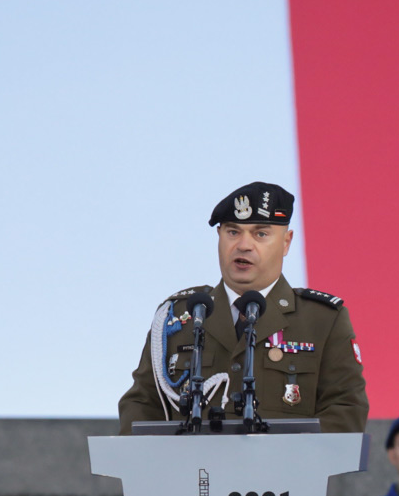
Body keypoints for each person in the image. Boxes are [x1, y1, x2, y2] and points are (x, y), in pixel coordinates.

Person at [117, 181, 367, 433]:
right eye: (233, 232)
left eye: (261, 234)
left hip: (284, 471)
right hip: (192, 471)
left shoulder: (321, 320)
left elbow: (346, 409)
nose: (244, 245)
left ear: (286, 242)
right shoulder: (180, 316)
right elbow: (142, 403)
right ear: (219, 237)